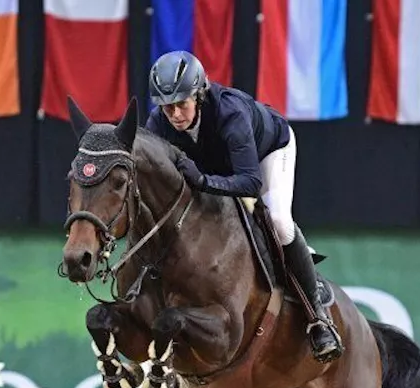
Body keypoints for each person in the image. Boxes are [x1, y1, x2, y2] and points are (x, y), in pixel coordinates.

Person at [145, 50, 343, 364]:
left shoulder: (230, 113)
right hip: (216, 162)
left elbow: (249, 182)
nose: (175, 115)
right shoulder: (158, 123)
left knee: (277, 219)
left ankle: (318, 318)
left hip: (267, 151)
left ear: (199, 94)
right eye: (167, 108)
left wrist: (203, 182)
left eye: (181, 104)